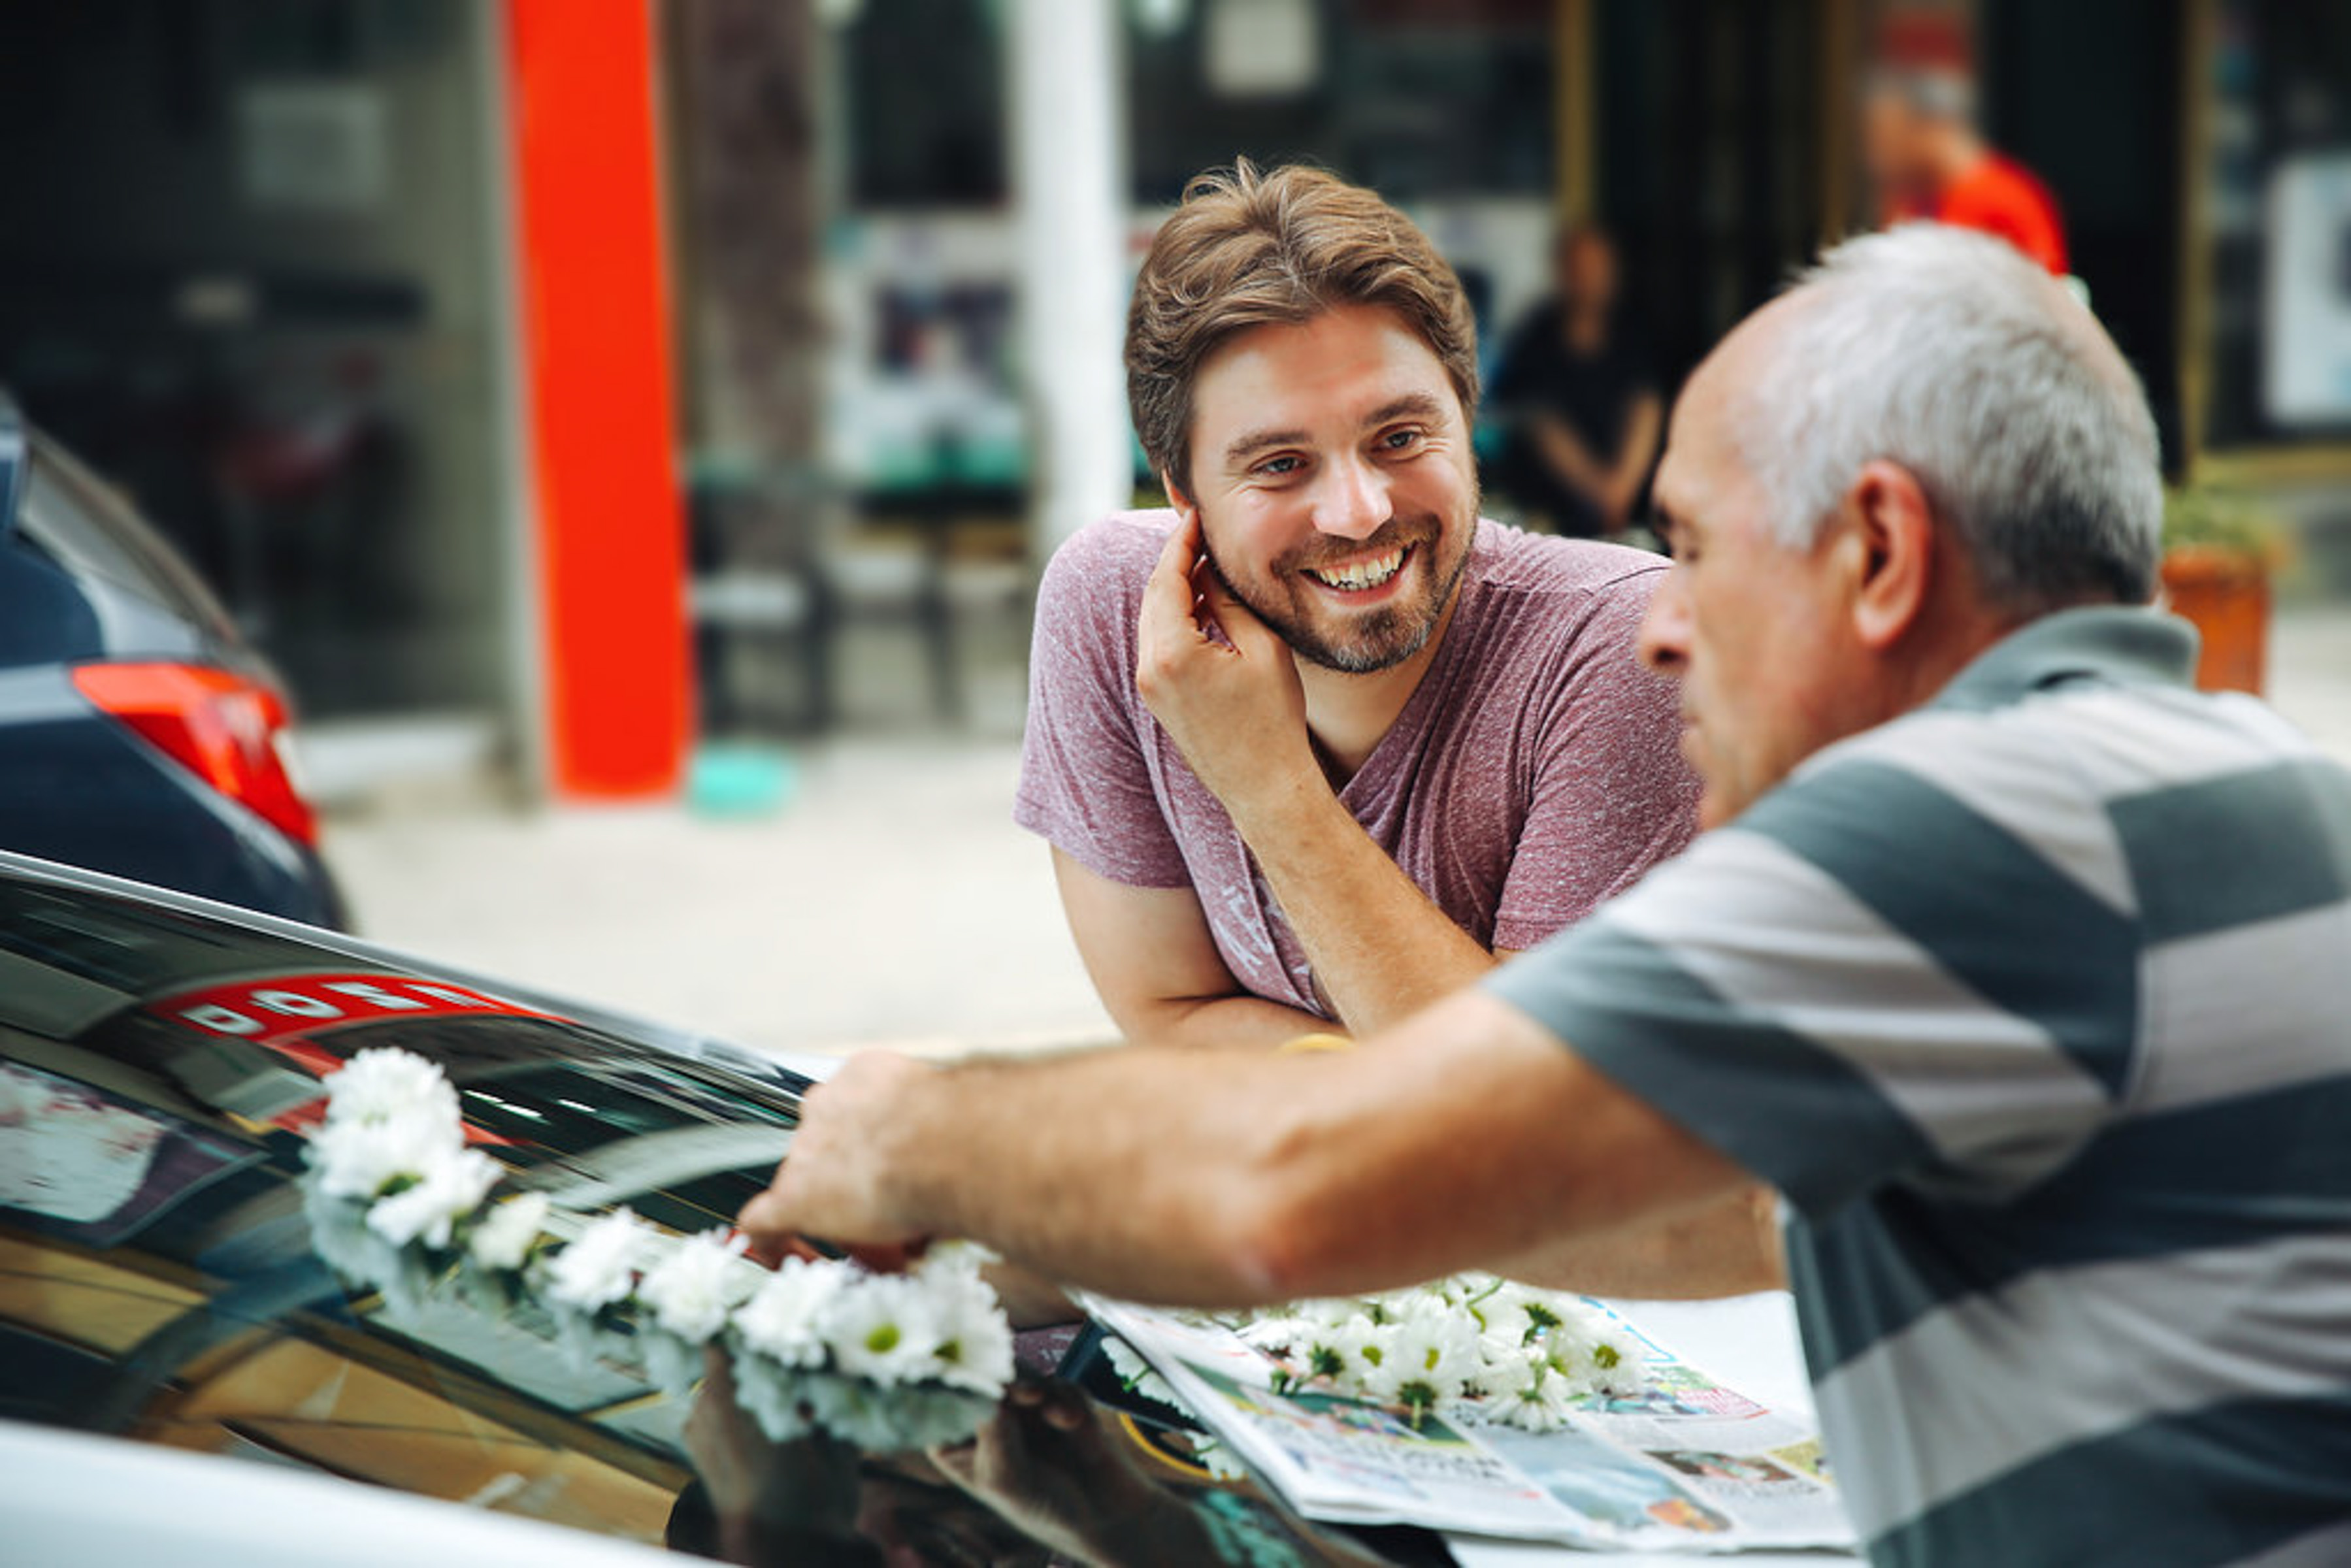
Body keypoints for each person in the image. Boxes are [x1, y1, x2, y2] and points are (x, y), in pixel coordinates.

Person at [745, 223, 2351, 1565]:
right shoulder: (2231, 792)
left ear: (1879, 551)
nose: (1665, 626)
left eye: (1699, 548)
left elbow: (1307, 1183)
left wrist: (913, 1129)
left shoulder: (1980, 830)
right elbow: (1703, 1215)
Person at [1017, 161, 1699, 1056]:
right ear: (1179, 486)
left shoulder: (1622, 647)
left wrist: (1270, 789)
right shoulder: (1111, 612)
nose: (1360, 512)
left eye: (1400, 438)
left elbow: (1526, 1112)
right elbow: (1165, 1011)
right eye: (1279, 464)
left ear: (1466, 413)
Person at [1488, 225, 1664, 538]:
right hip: (1550, 513)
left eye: (1599, 267)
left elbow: (1646, 407)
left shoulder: (1635, 329)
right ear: (1562, 272)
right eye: (1580, 268)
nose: (1591, 279)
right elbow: (1540, 421)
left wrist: (1622, 489)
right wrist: (1601, 490)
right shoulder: (1537, 334)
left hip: (1629, 510)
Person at [1864, 61, 2068, 275]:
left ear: (1929, 126)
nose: (1876, 156)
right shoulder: (1914, 200)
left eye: (1885, 136)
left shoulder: (2004, 200)